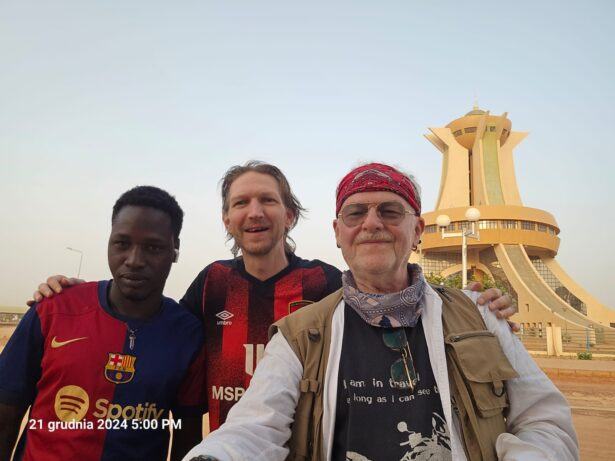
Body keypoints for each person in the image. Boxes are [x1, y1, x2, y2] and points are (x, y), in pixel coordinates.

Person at [29, 161, 515, 433]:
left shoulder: (327, 283)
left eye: (268, 200)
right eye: (241, 202)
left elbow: (400, 306)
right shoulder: (211, 282)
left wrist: (478, 307)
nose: (254, 211)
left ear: (291, 216)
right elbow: (151, 320)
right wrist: (74, 293)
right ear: (226, 220)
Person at [183, 163, 579, 461]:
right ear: (338, 232)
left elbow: (544, 419)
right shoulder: (299, 331)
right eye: (355, 214)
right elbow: (255, 425)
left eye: (390, 211)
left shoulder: (479, 317)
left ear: (418, 229)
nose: (372, 224)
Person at [0, 186, 206, 461]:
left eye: (153, 247)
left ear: (175, 250)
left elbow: (188, 438)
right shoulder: (53, 309)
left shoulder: (187, 334)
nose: (134, 260)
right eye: (122, 243)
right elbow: (6, 413)